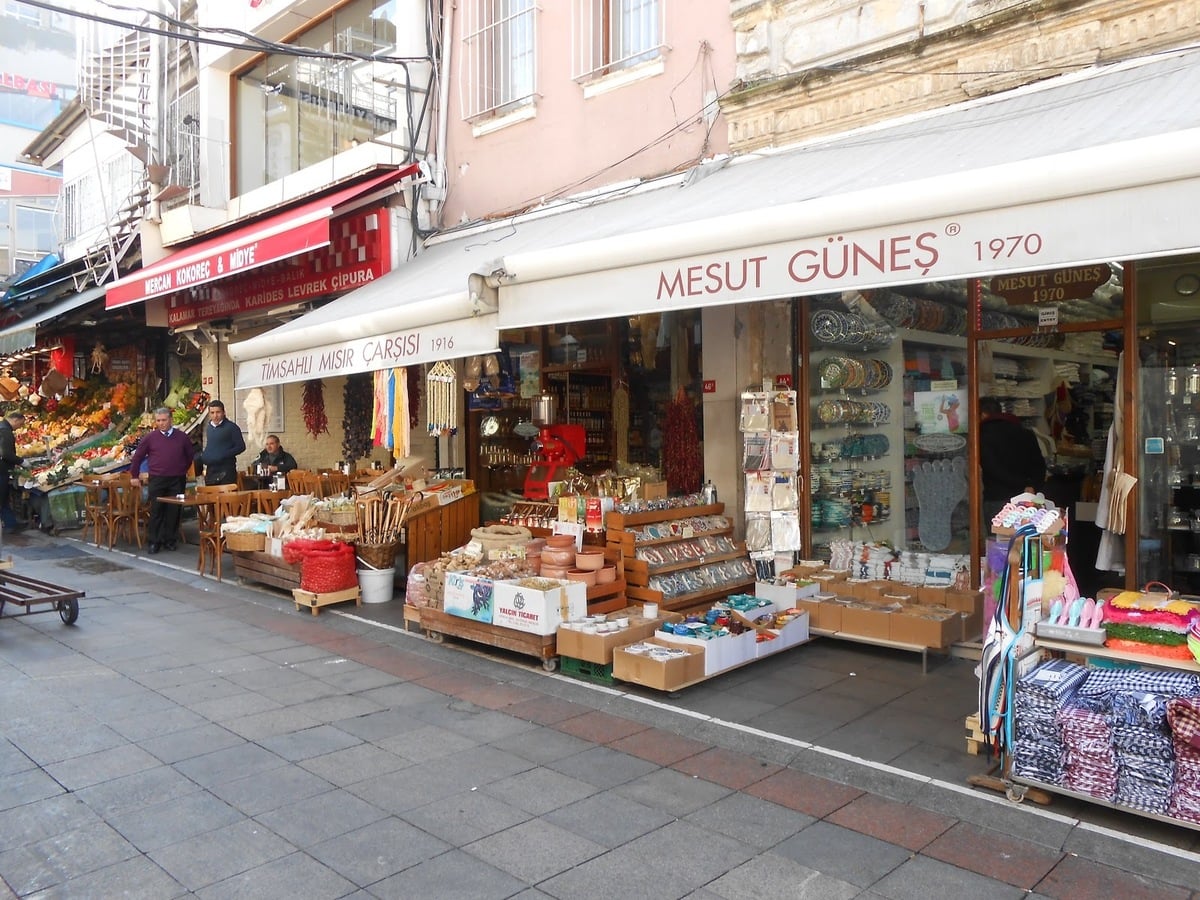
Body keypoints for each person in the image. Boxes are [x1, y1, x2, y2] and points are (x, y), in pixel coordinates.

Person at [129, 407, 194, 553]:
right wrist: (134, 475)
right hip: (157, 479)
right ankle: (154, 542)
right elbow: (138, 457)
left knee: (174, 511)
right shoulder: (150, 438)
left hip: (177, 479)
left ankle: (170, 540)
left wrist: (181, 470)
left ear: (170, 420)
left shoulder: (182, 437)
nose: (161, 423)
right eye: (158, 421)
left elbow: (190, 455)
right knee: (157, 510)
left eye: (164, 420)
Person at [979, 396, 1047, 526]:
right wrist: (1031, 486)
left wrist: (1022, 485)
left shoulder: (982, 436)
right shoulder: (1025, 433)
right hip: (1028, 498)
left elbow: (992, 468)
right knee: (1024, 541)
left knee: (998, 542)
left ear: (982, 415)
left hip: (998, 498)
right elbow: (1040, 466)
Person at [195, 400, 245, 486]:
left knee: (226, 498)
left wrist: (223, 454)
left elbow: (241, 446)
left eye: (218, 412)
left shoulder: (232, 427)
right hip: (211, 470)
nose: (215, 415)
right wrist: (204, 456)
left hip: (227, 470)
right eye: (212, 412)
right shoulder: (209, 428)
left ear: (224, 412)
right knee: (211, 498)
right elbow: (211, 446)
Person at [0, 411, 26, 531]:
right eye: (20, 424)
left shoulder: (2, 428)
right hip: (2, 470)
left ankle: (11, 523)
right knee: (2, 497)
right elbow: (6, 454)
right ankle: (11, 525)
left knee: (3, 498)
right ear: (15, 420)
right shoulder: (5, 432)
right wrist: (21, 461)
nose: (19, 427)